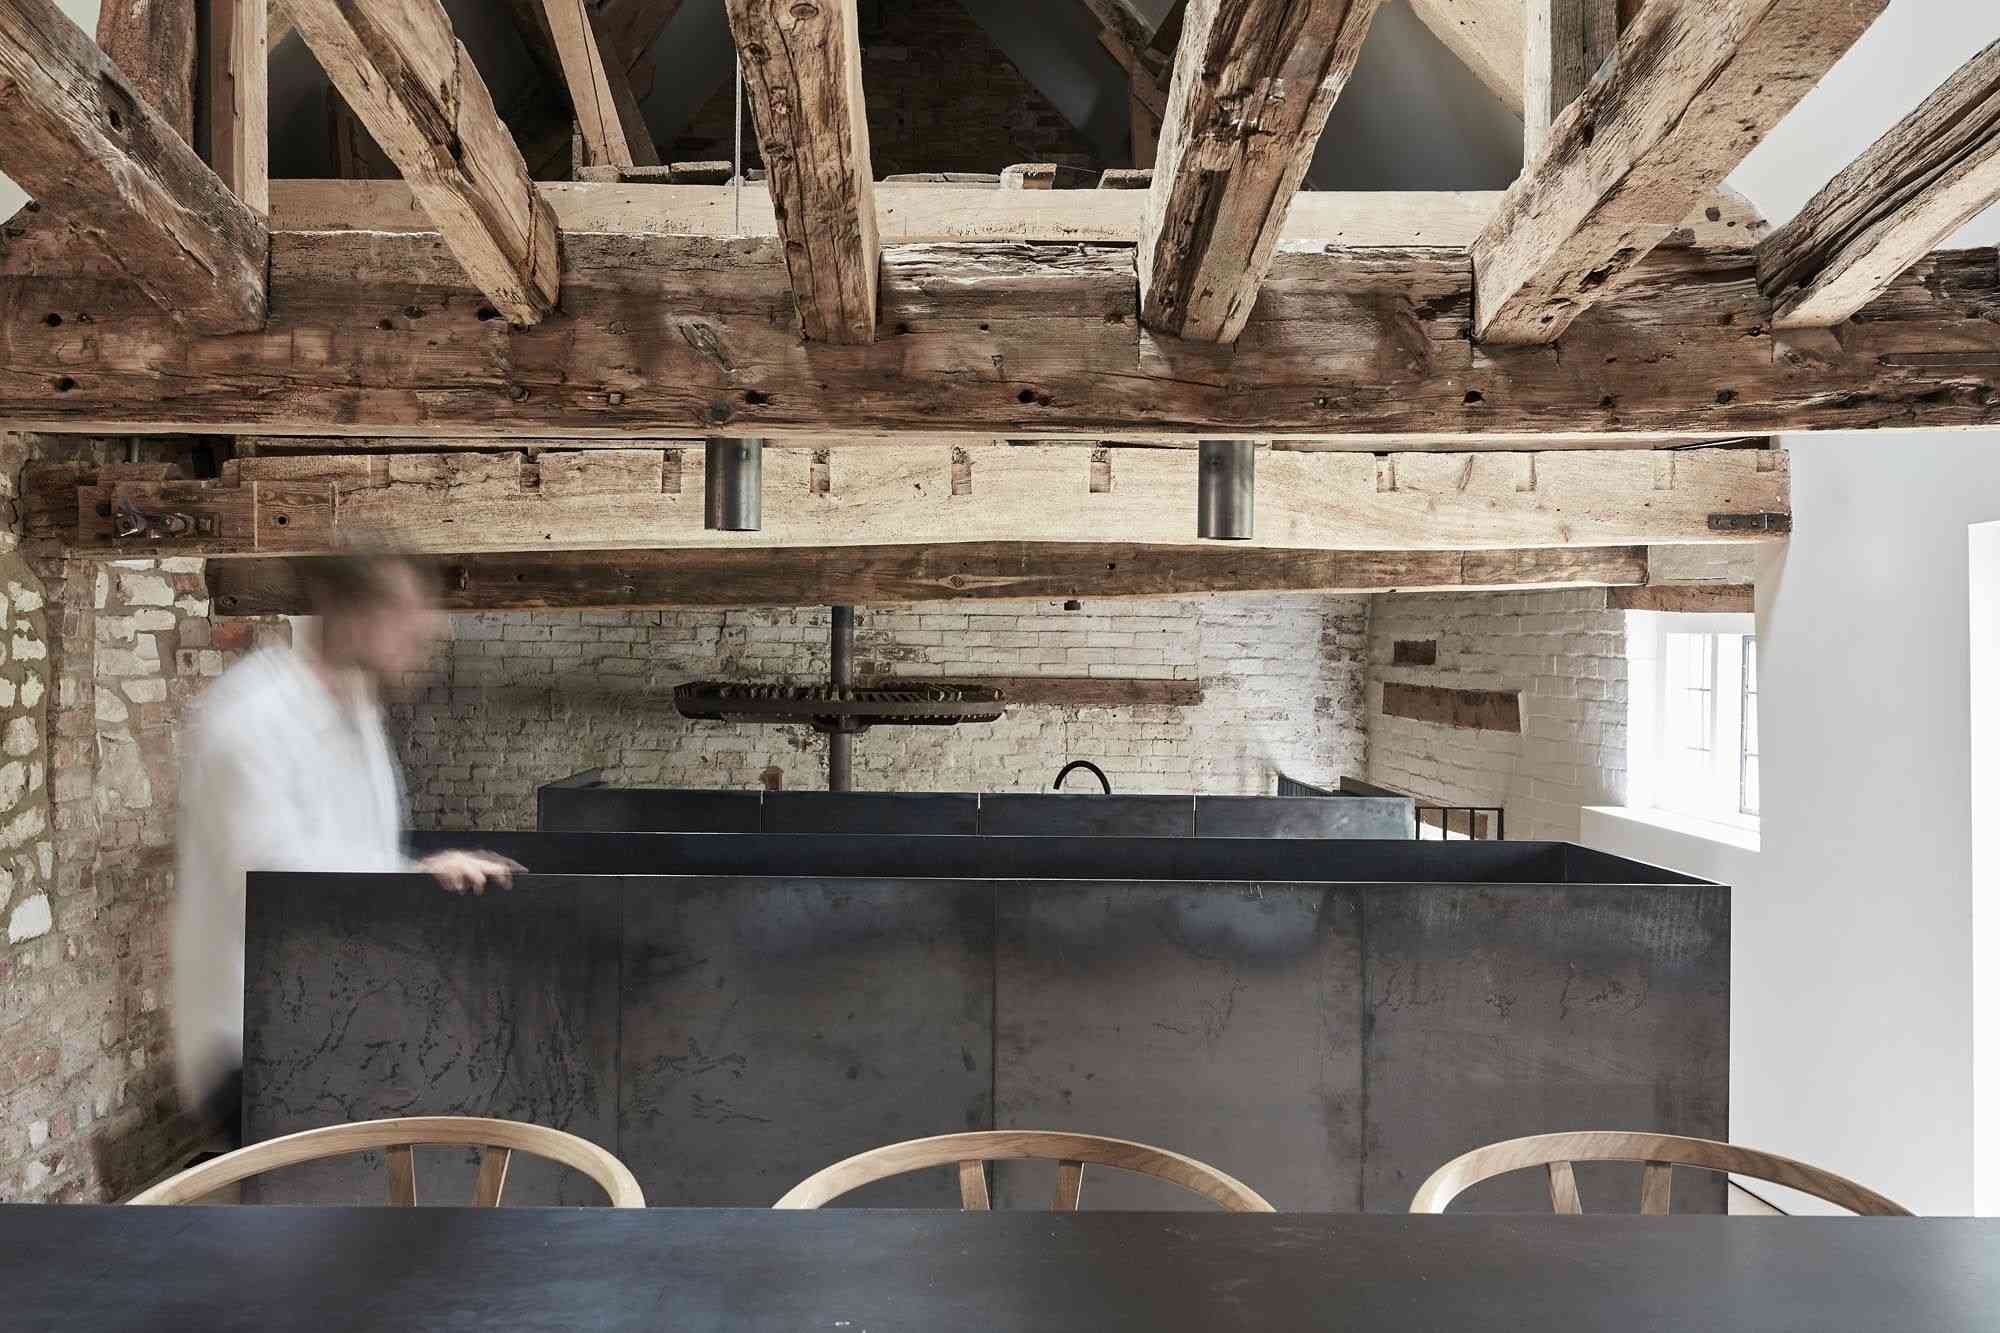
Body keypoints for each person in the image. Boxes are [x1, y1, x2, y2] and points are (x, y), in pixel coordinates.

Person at [171, 550, 522, 1141]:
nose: (426, 629)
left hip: (324, 1021)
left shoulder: (356, 710)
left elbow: (353, 849)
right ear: (347, 611)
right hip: (253, 1039)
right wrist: (417, 876)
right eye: (402, 612)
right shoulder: (253, 714)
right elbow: (270, 876)